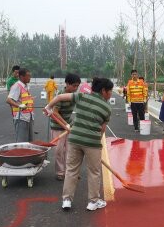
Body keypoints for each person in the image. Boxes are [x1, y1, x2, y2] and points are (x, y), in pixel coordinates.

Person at [44, 77, 113, 211]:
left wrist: (48, 107)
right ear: (103, 91)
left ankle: (66, 200)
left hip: (74, 139)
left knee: (71, 170)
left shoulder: (81, 96)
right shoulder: (106, 108)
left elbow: (59, 98)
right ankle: (93, 202)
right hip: (92, 142)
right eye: (109, 91)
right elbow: (102, 130)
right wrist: (96, 145)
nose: (110, 94)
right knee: (94, 172)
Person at [50, 73, 81, 181]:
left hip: (69, 125)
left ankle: (70, 172)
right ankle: (60, 172)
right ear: (67, 84)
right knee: (59, 151)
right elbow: (55, 112)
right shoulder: (60, 95)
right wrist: (65, 125)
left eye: (77, 86)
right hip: (57, 125)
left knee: (70, 150)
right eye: (74, 86)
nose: (76, 88)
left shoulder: (74, 95)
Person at [6, 68, 34, 142]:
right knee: (22, 143)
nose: (30, 78)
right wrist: (19, 105)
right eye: (28, 76)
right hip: (21, 118)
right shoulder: (17, 86)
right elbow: (8, 100)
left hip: (28, 117)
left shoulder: (26, 86)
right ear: (22, 77)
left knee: (29, 142)